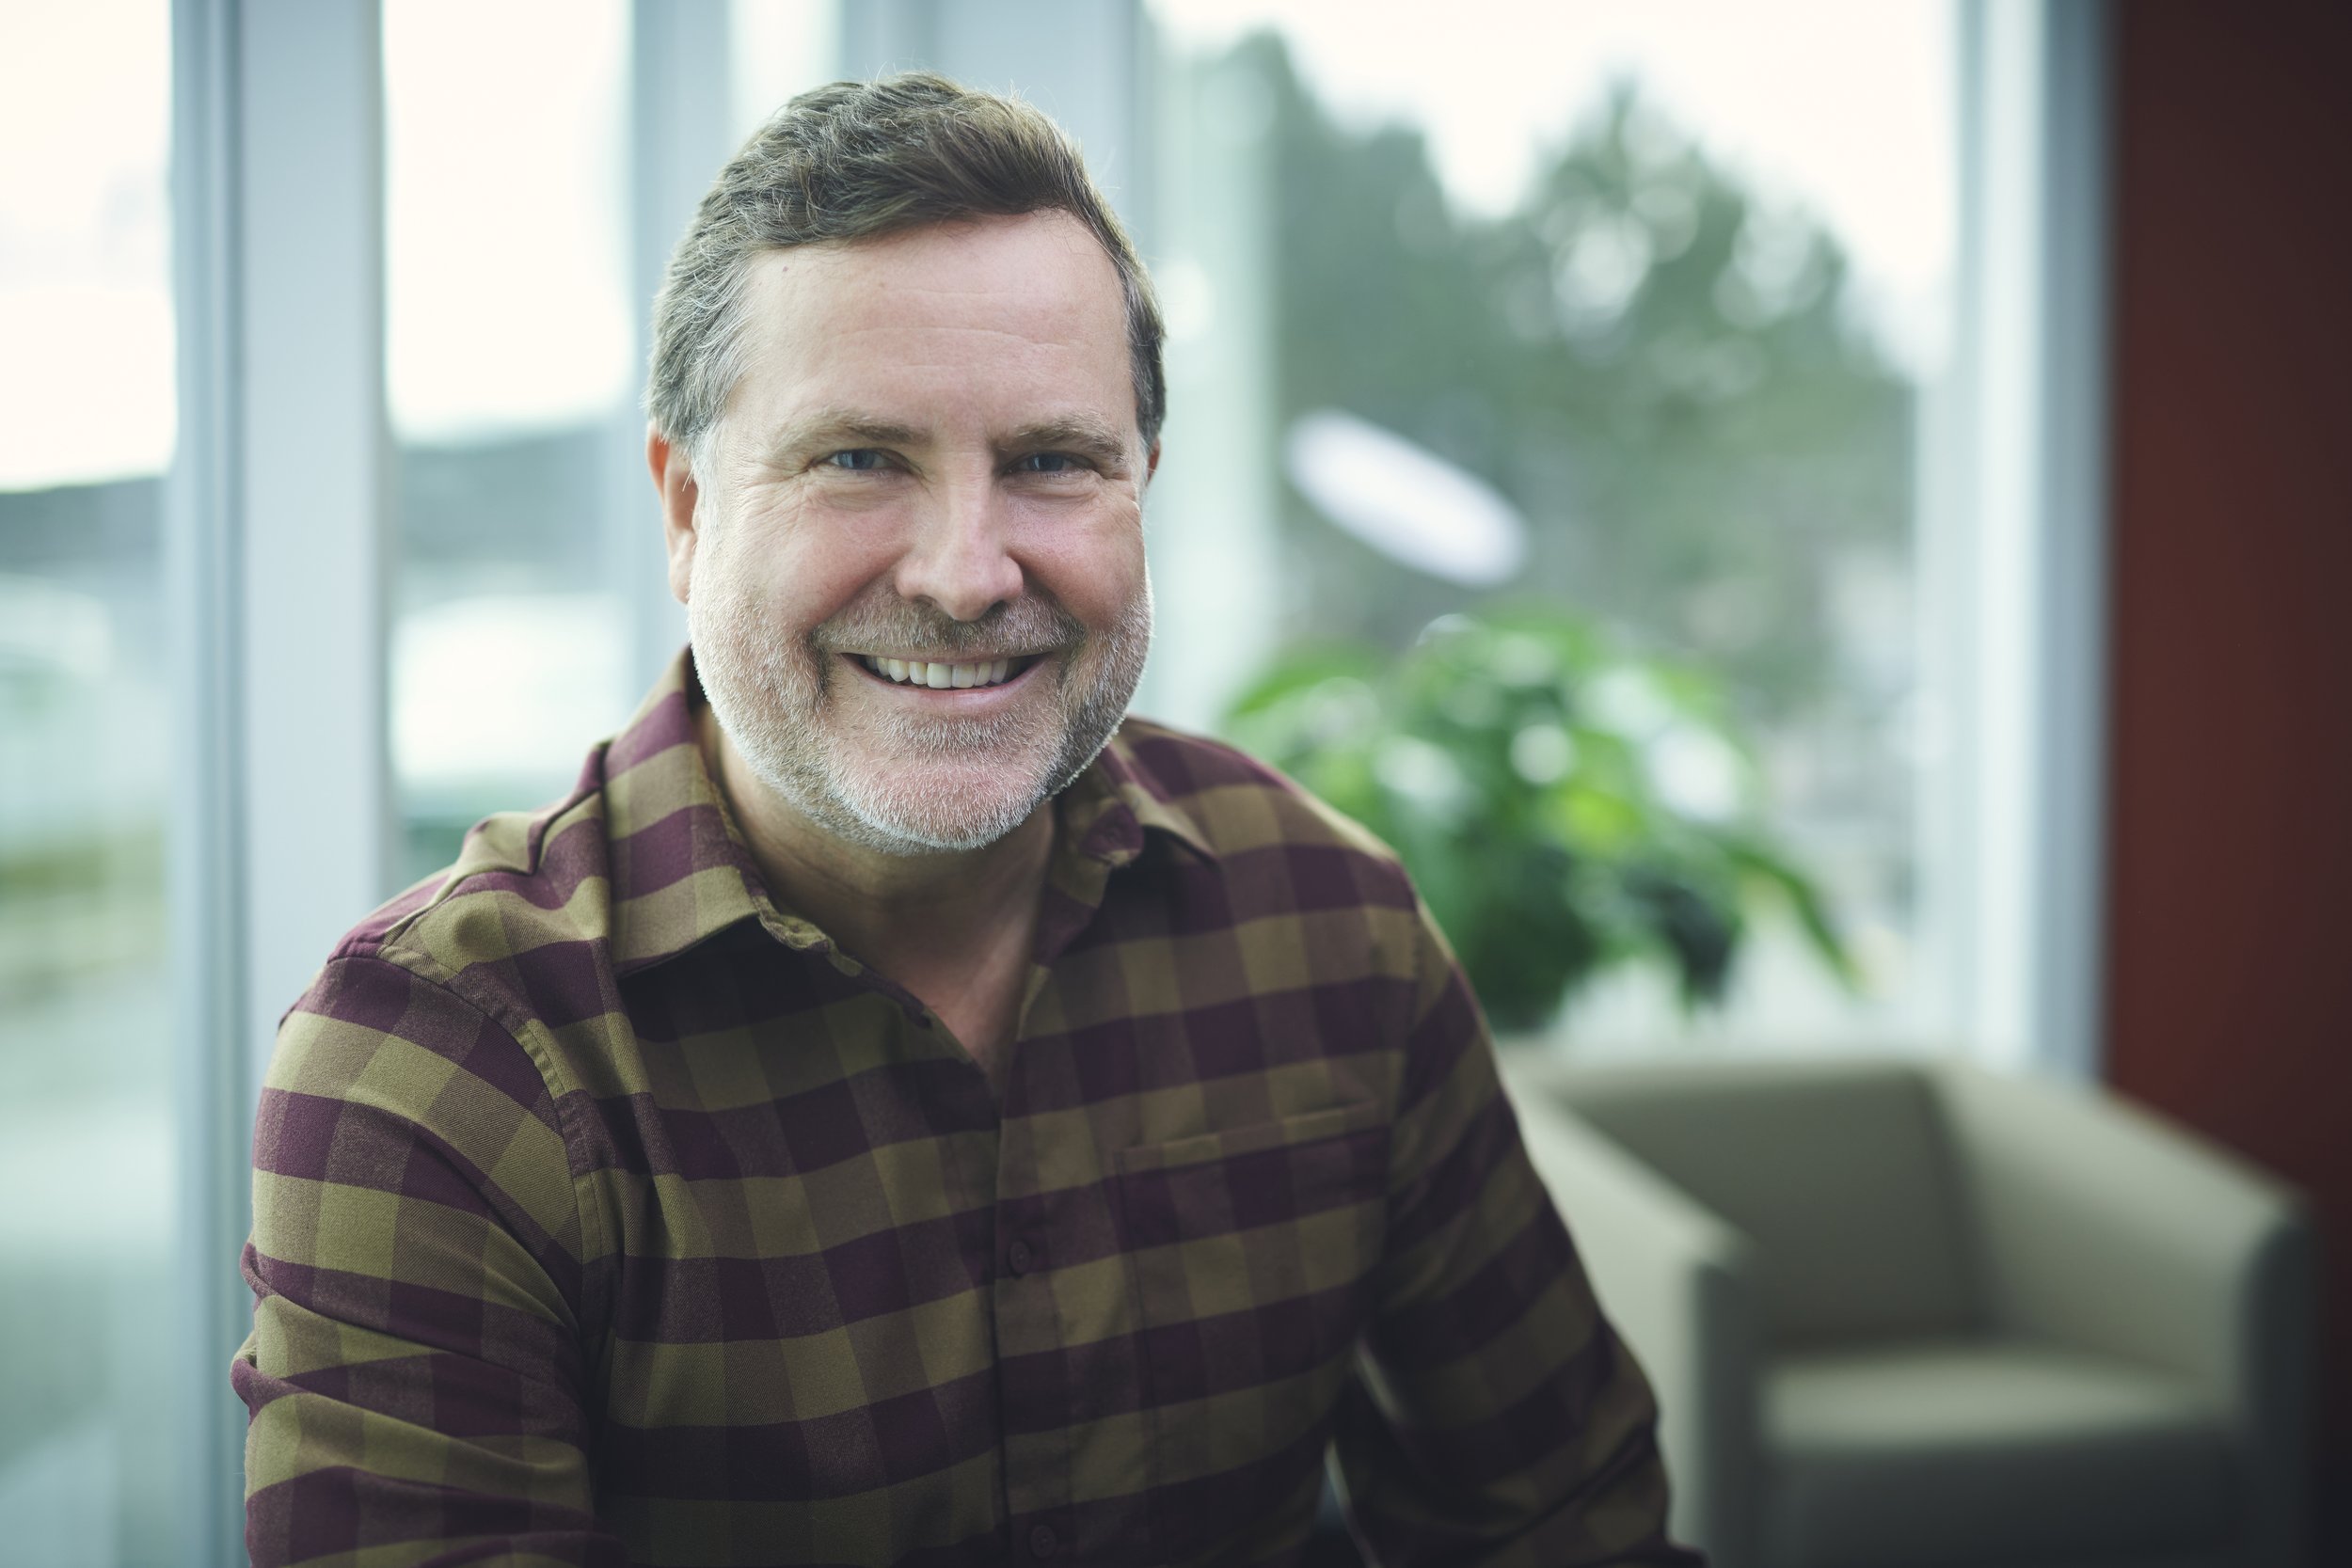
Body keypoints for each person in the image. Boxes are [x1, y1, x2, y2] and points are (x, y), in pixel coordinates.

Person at [233, 72, 1700, 1568]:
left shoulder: (1333, 931)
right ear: (686, 510)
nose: (965, 571)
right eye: (861, 458)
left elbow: (1569, 1525)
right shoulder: (442, 1067)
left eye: (1053, 462)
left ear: (1142, 488)